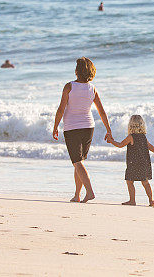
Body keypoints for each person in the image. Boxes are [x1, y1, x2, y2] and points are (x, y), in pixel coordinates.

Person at [52, 57, 113, 203]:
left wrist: (55, 127)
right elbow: (102, 112)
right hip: (88, 127)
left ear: (76, 71)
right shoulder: (92, 88)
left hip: (72, 128)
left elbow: (61, 109)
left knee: (77, 162)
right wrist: (108, 130)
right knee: (79, 162)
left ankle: (90, 192)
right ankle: (77, 195)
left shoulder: (69, 86)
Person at [106, 114, 154, 207]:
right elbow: (150, 147)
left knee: (129, 181)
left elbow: (120, 145)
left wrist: (111, 141)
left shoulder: (131, 137)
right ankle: (151, 200)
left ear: (130, 125)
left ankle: (132, 200)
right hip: (144, 163)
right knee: (145, 182)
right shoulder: (143, 136)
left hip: (133, 163)